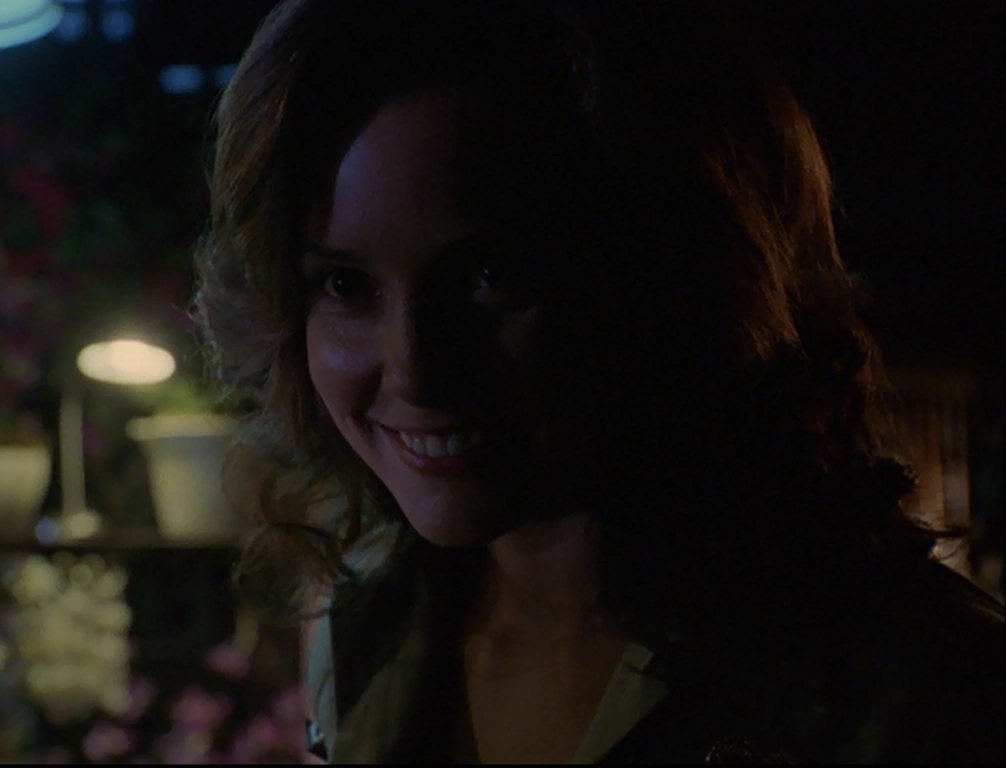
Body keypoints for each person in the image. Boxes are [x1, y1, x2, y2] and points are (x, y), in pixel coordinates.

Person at [191, 0, 1005, 763]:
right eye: (344, 285)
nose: (415, 369)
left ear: (672, 268)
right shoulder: (369, 622)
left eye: (488, 274)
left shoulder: (913, 691)